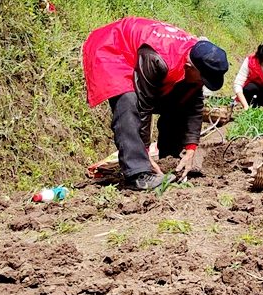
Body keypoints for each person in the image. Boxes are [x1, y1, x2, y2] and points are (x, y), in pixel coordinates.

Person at [83, 17, 228, 191]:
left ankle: (171, 158)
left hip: (146, 57)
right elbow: (143, 106)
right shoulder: (157, 59)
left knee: (182, 97)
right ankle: (137, 174)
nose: (203, 84)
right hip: (112, 47)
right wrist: (144, 153)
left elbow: (194, 108)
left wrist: (190, 150)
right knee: (128, 101)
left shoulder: (197, 59)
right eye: (203, 79)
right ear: (189, 67)